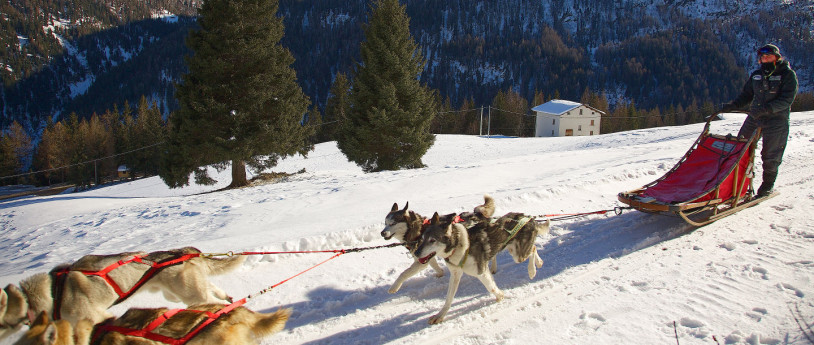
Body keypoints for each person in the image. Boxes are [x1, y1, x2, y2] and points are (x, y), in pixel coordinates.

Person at [720, 43, 798, 198]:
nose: (765, 59)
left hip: (776, 120)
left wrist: (768, 108)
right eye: (763, 57)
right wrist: (734, 105)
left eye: (769, 56)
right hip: (755, 117)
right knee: (739, 147)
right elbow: (747, 94)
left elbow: (787, 99)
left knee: (770, 155)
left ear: (777, 57)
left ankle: (767, 185)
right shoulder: (757, 75)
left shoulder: (787, 75)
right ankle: (733, 184)